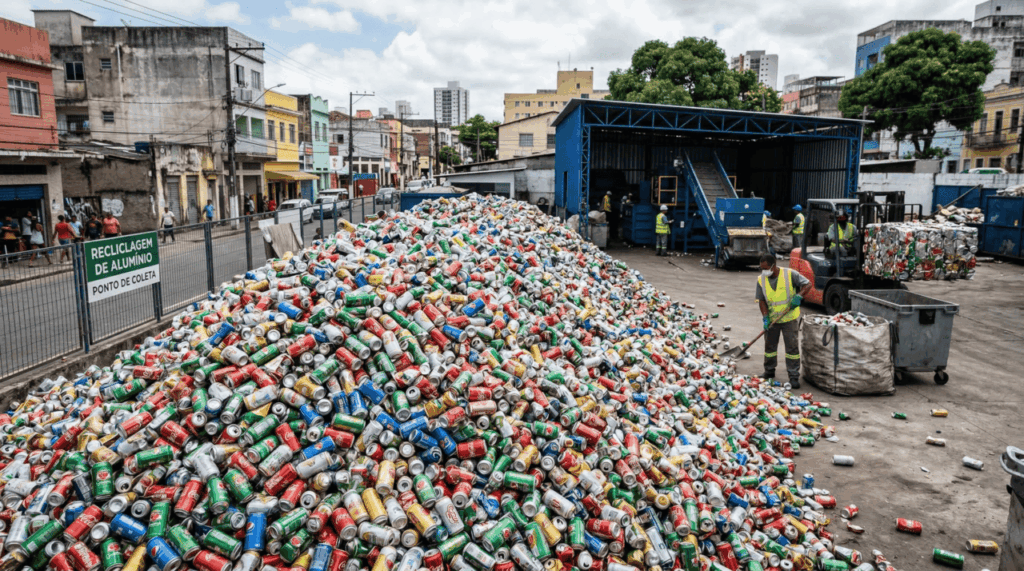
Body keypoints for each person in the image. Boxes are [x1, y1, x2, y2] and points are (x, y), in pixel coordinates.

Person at [756, 253, 811, 388]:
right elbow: (761, 300)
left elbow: (808, 284)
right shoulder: (761, 279)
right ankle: (769, 371)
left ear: (774, 266)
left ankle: (793, 376)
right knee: (770, 348)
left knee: (791, 348)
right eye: (762, 268)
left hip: (789, 318)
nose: (764, 271)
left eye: (766, 268)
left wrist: (799, 296)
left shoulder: (789, 274)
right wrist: (765, 317)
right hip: (772, 319)